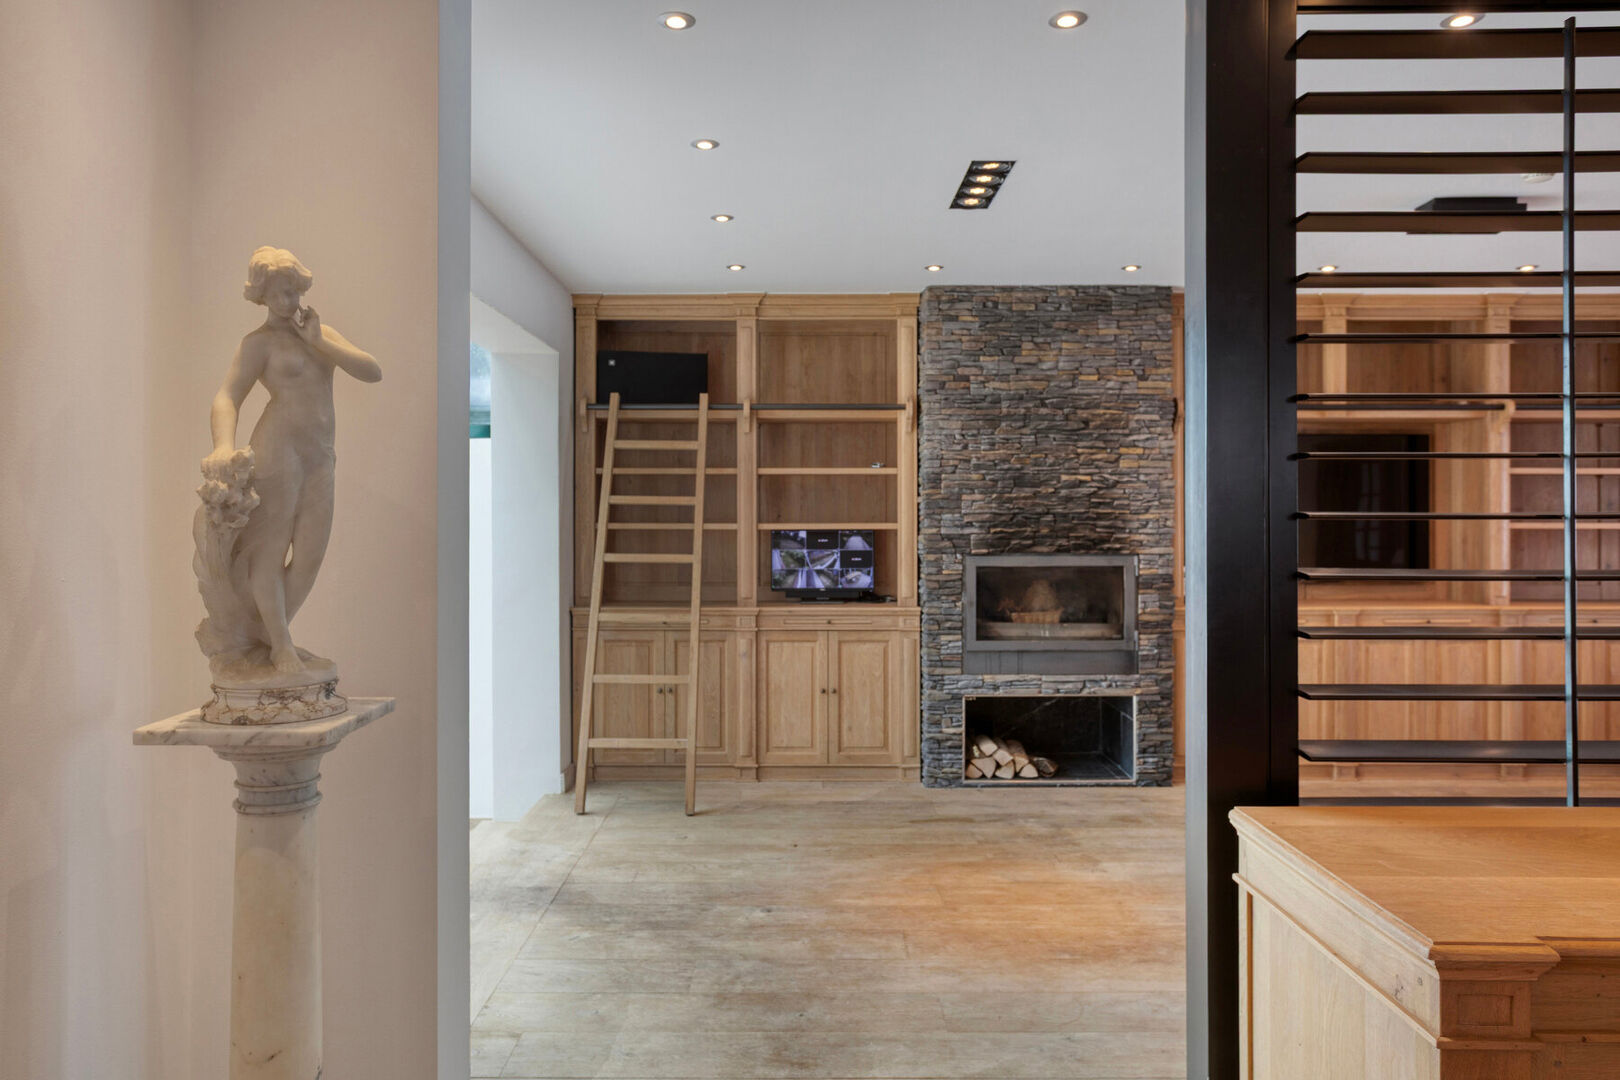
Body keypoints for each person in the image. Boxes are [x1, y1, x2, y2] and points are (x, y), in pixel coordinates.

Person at [201, 247, 381, 675]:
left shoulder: (320, 333)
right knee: (270, 550)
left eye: (294, 291)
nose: (290, 301)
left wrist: (320, 342)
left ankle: (267, 637)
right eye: (280, 293)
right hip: (278, 451)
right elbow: (227, 396)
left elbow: (372, 371)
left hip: (320, 455)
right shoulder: (258, 344)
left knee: (311, 556)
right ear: (261, 295)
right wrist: (223, 446)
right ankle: (281, 644)